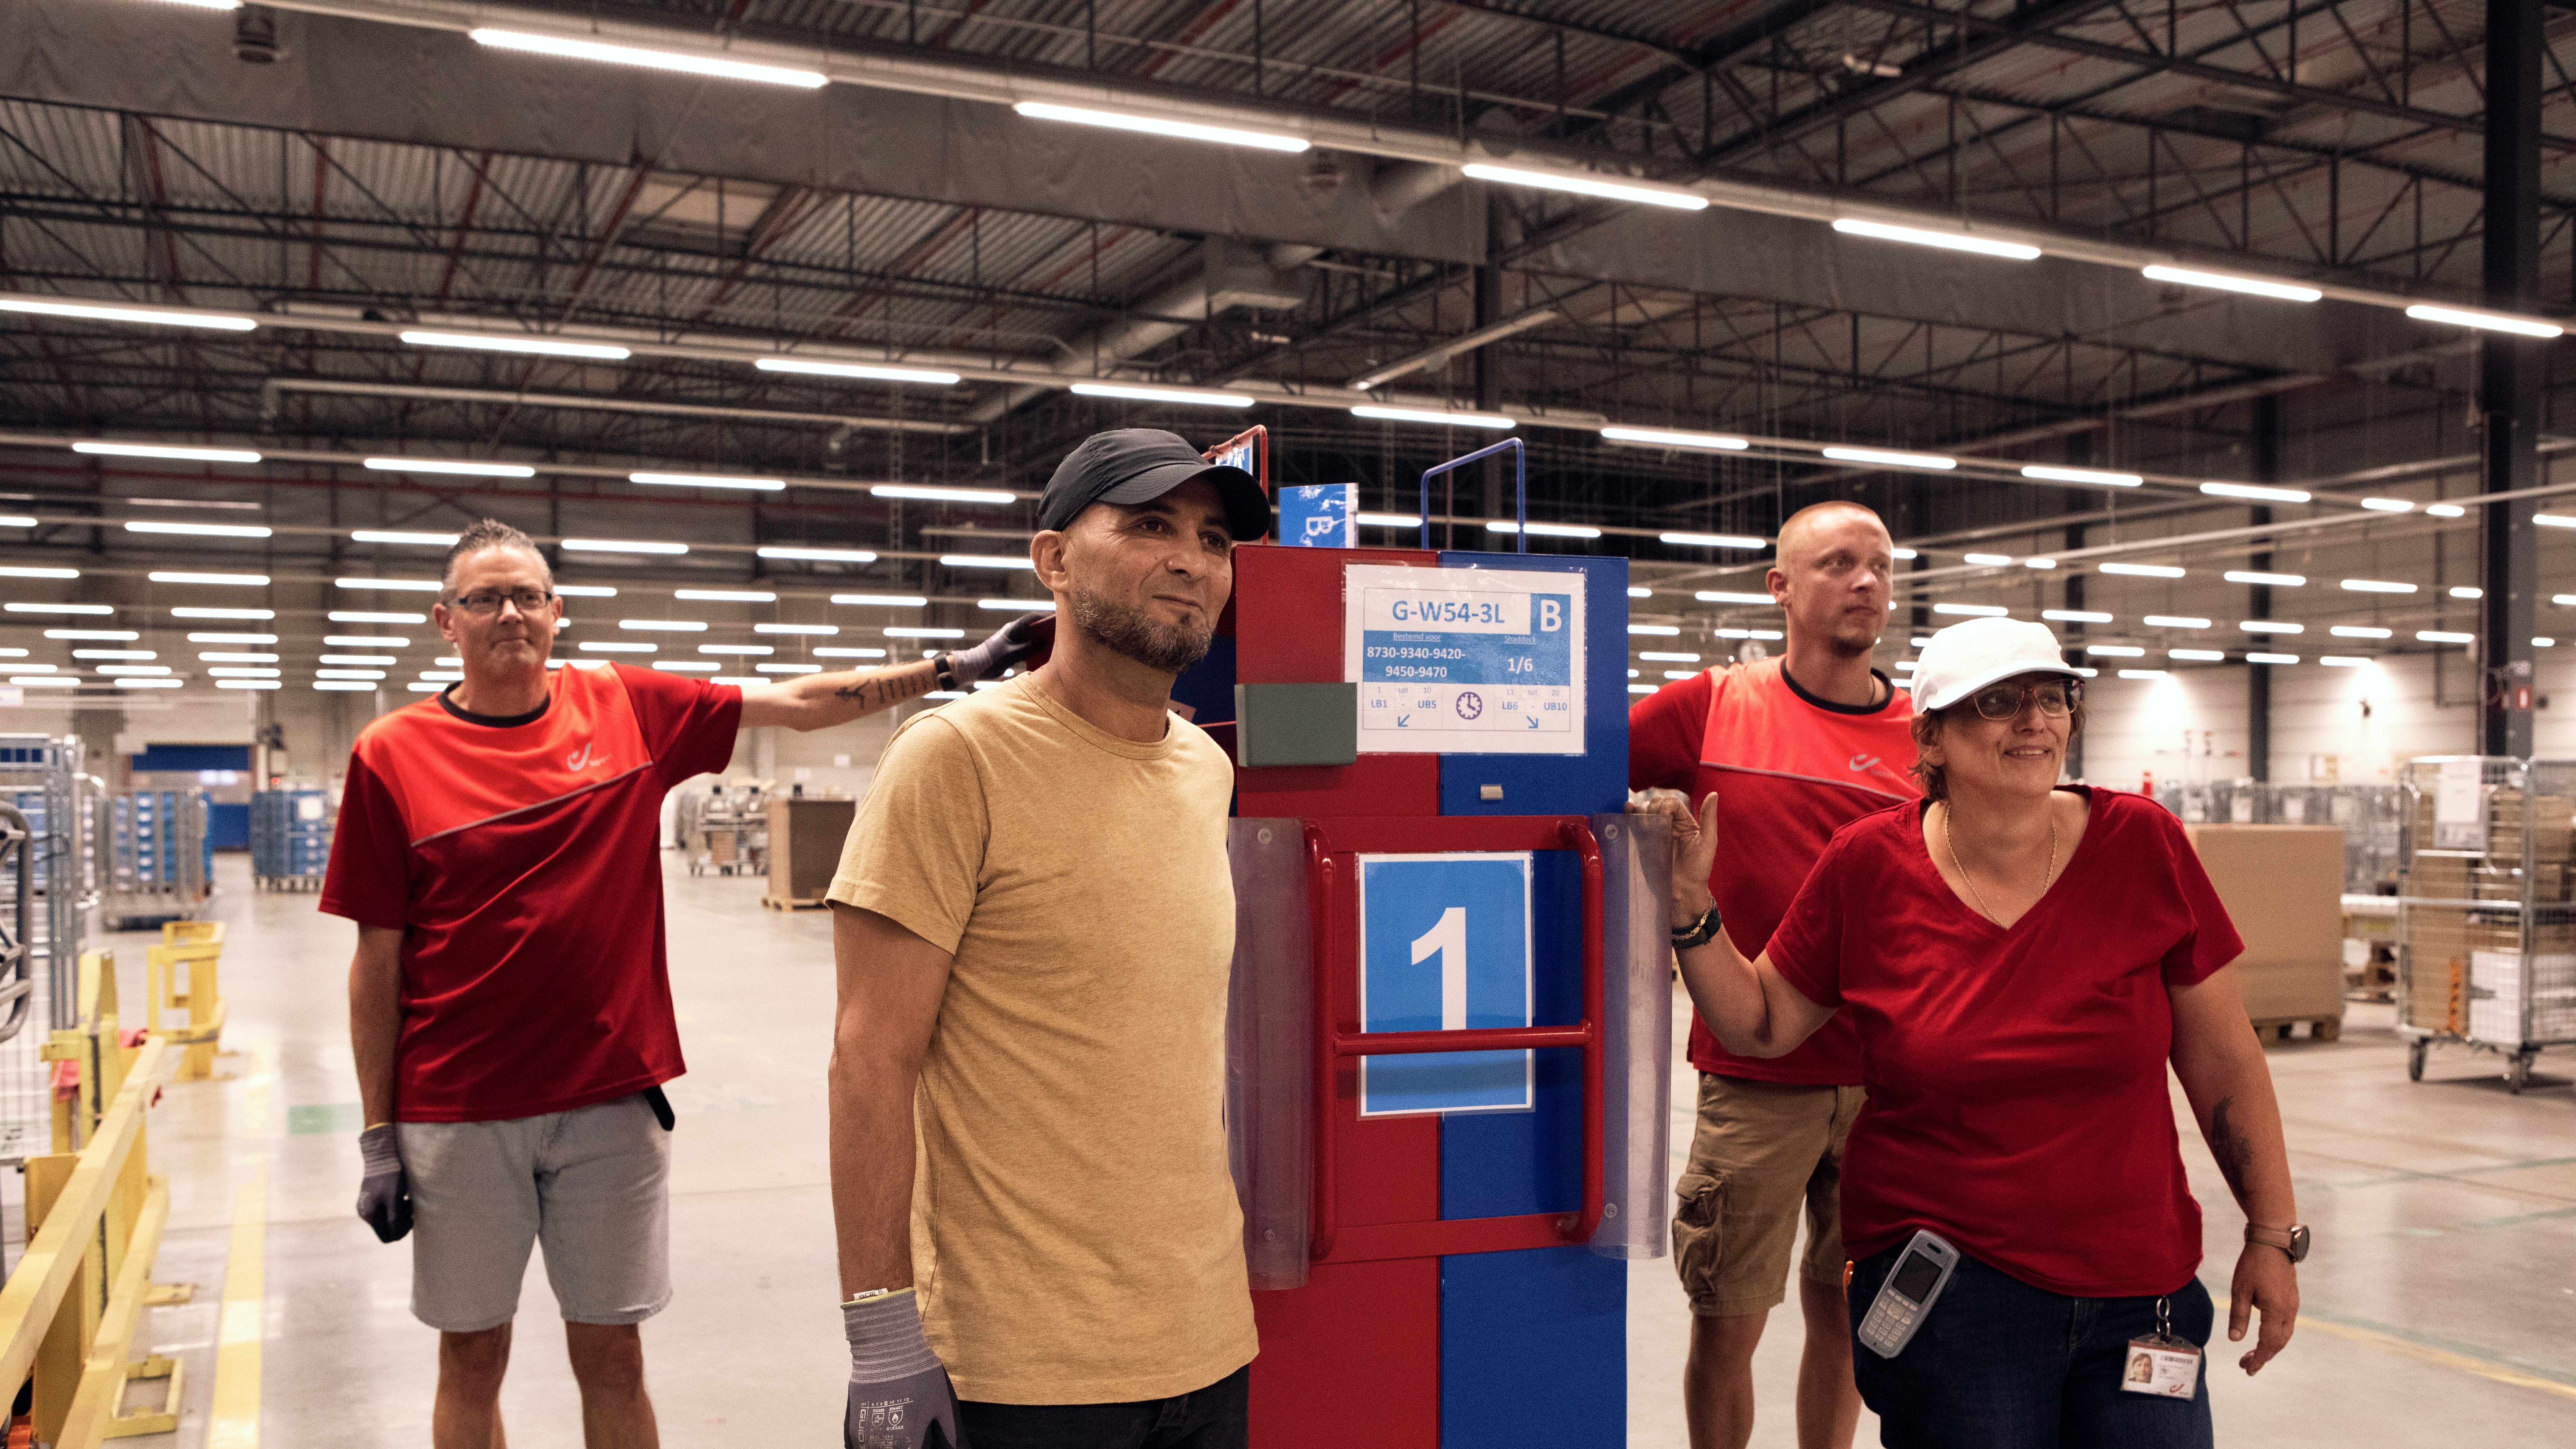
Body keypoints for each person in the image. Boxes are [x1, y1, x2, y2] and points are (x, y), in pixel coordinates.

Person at [322, 518, 1039, 1449]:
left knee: (614, 1357)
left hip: (609, 1106)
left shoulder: (623, 705)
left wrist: (950, 668)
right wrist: (380, 1135)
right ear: (443, 621)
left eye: (529, 596)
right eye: (484, 599)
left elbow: (793, 705)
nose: (511, 614)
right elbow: (377, 959)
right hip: (458, 1111)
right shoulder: (390, 753)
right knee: (471, 1358)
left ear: (556, 611)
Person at [1657, 616, 2303, 1447]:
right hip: (1952, 1293)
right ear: (1930, 735)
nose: (2034, 721)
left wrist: (2272, 1235)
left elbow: (2225, 1061)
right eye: (1997, 703)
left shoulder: (2143, 845)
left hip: (2140, 1289)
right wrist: (1690, 913)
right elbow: (1763, 1022)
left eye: (2053, 697)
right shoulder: (1868, 867)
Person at [823, 428, 1272, 1449]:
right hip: (1023, 1366)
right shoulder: (954, 758)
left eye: (1213, 539)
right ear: (1054, 559)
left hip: (1207, 1340)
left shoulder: (1205, 767)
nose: (1190, 561)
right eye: (1150, 525)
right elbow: (869, 1060)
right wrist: (883, 1339)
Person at [1628, 499, 1916, 1449]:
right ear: (1781, 588)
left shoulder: (1926, 737)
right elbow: (1575, 769)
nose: (1866, 581)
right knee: (1727, 1321)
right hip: (1755, 1078)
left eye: (1879, 564)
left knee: (1848, 1319)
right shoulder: (1713, 706)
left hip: (1886, 1081)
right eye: (1839, 563)